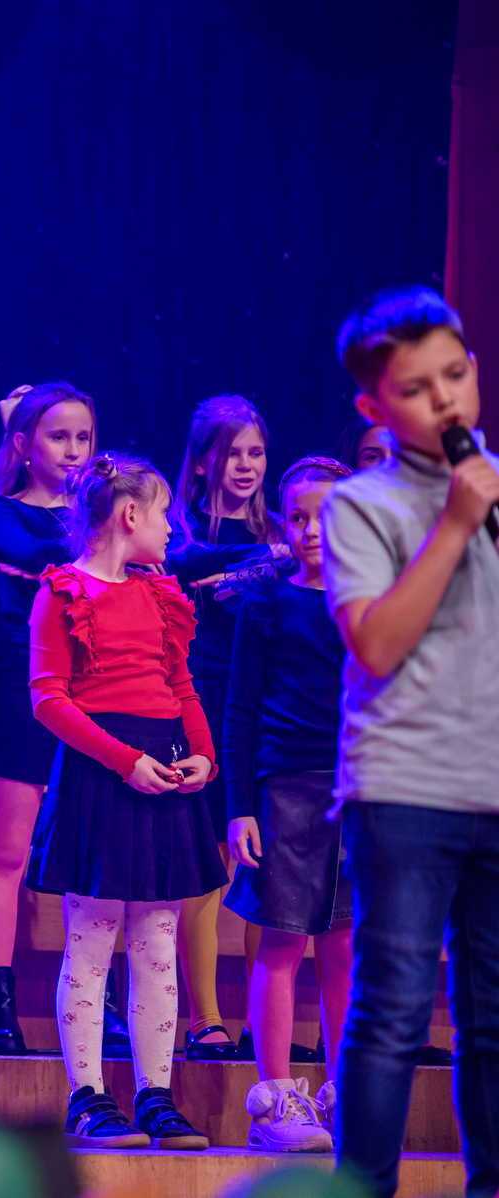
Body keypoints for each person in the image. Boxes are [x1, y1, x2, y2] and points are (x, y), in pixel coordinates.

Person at [323, 287, 499, 1197]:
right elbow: (379, 644)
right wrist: (457, 524)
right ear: (374, 407)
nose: (446, 401)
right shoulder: (361, 504)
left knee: (493, 1018)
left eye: (456, 376)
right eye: (418, 389)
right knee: (393, 1013)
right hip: (404, 792)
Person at [26, 453, 223, 1151]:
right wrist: (124, 761)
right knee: (92, 938)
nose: (172, 527)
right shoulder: (64, 590)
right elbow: (49, 698)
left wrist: (203, 755)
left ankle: (155, 1093)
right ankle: (87, 1096)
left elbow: (182, 686)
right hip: (102, 772)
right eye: (164, 512)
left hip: (161, 764)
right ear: (130, 515)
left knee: (157, 940)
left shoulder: (159, 593)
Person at [222, 457, 355, 1153]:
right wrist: (239, 806)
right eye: (298, 518)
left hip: (359, 788)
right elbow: (240, 710)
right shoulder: (266, 604)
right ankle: (275, 1098)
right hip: (288, 786)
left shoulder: (372, 603)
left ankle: (345, 1092)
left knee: (344, 945)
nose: (310, 532)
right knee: (283, 941)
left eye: (325, 518)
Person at [0, 382, 100, 1054]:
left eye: (83, 438)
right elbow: (30, 554)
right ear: (23, 445)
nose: (74, 451)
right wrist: (101, 540)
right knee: (8, 849)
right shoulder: (1, 511)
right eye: (58, 437)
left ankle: (97, 1001)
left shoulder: (103, 512)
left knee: (94, 851)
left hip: (99, 688)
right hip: (25, 685)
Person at [166, 394, 284, 1063]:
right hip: (204, 696)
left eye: (255, 452)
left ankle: (264, 1020)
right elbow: (186, 567)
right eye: (231, 452)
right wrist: (259, 564)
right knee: (208, 862)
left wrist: (264, 565)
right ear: (202, 461)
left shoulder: (283, 532)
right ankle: (204, 1017)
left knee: (263, 863)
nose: (245, 464)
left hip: (265, 703)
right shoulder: (180, 534)